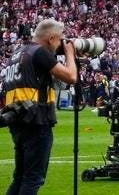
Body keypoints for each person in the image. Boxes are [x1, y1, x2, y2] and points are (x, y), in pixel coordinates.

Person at [1, 18, 77, 195]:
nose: (60, 44)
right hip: (36, 121)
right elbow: (71, 77)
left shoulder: (17, 53)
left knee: (20, 177)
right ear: (51, 38)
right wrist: (70, 54)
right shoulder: (40, 52)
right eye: (59, 39)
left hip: (17, 119)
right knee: (33, 178)